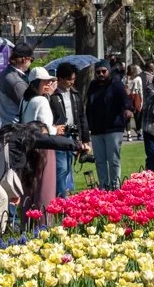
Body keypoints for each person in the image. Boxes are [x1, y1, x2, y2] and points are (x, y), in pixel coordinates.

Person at [22, 66, 62, 209]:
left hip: (28, 146)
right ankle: (42, 219)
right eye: (44, 82)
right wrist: (56, 130)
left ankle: (27, 217)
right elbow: (45, 127)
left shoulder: (25, 100)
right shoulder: (41, 101)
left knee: (29, 186)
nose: (48, 84)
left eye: (49, 81)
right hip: (43, 146)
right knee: (44, 188)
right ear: (36, 83)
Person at [87, 59, 132, 187]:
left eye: (103, 71)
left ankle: (115, 186)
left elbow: (126, 100)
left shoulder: (116, 84)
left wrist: (127, 109)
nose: (101, 74)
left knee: (113, 159)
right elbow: (89, 105)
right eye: (98, 72)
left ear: (109, 71)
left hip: (113, 128)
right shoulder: (93, 86)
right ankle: (103, 186)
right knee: (100, 160)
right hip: (96, 129)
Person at [49, 63, 89, 195]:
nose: (72, 82)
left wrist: (85, 139)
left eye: (73, 79)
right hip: (59, 135)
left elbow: (81, 117)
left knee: (68, 168)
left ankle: (66, 194)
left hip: (73, 135)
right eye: (69, 79)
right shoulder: (52, 95)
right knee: (61, 168)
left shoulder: (75, 94)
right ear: (60, 78)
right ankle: (61, 198)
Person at [0, 43, 33, 128]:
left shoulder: (7, 73)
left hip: (8, 126)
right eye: (31, 60)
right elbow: (30, 106)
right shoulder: (16, 81)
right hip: (17, 129)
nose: (31, 63)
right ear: (25, 59)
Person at [124, 64, 144, 140]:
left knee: (128, 117)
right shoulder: (138, 78)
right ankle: (139, 133)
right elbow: (140, 90)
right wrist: (142, 101)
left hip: (127, 98)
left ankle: (129, 134)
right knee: (137, 116)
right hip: (136, 97)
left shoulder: (125, 78)